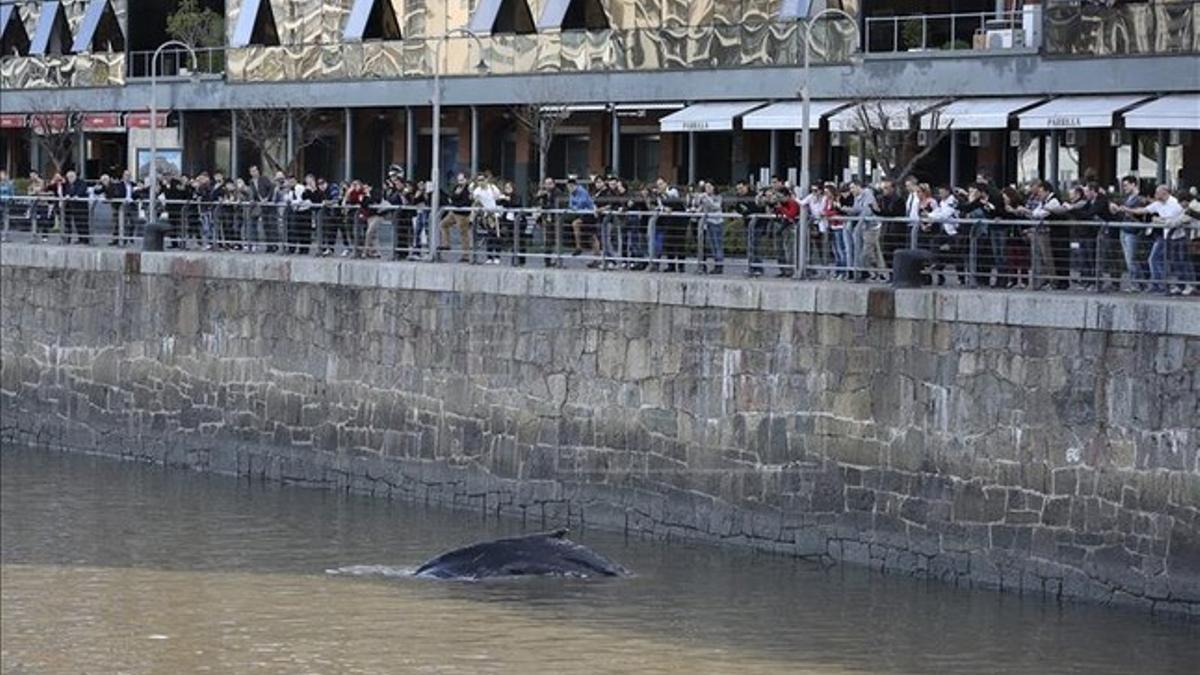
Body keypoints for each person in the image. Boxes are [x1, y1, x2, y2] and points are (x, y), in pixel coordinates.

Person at [1119, 184, 1187, 294]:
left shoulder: (1174, 203)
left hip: (1176, 237)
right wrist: (1127, 209)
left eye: (1157, 192)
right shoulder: (1158, 203)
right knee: (1155, 259)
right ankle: (1159, 284)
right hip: (1165, 237)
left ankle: (1171, 285)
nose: (1155, 195)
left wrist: (1158, 220)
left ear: (1164, 192)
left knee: (1176, 262)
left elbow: (1172, 220)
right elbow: (1143, 210)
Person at [439, 173, 472, 259]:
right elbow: (451, 197)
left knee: (463, 234)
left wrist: (455, 201)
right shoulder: (456, 187)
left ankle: (466, 255)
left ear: (466, 180)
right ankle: (446, 244)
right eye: (459, 180)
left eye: (461, 180)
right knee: (443, 224)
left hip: (463, 214)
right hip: (454, 212)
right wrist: (455, 198)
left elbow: (466, 202)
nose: (460, 182)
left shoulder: (468, 189)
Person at [696, 181, 725, 275]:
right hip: (708, 223)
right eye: (706, 187)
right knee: (712, 246)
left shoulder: (718, 196)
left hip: (717, 222)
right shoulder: (704, 197)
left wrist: (707, 198)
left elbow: (716, 206)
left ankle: (719, 265)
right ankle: (715, 264)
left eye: (709, 187)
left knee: (718, 245)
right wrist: (698, 199)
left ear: (713, 187)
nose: (707, 189)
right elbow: (699, 207)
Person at [566, 177, 597, 262]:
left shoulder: (582, 191)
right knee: (591, 237)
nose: (570, 189)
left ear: (576, 185)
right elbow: (570, 204)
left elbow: (582, 203)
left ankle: (579, 246)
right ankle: (595, 258)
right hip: (583, 214)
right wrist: (574, 207)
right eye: (568, 187)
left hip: (590, 214)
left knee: (576, 224)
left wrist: (575, 207)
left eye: (571, 186)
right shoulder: (572, 193)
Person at [59, 169, 90, 245]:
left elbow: (82, 190)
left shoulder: (81, 182)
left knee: (83, 223)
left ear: (75, 176)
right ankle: (80, 238)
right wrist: (67, 195)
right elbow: (66, 191)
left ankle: (85, 239)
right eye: (68, 177)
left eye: (72, 176)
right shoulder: (67, 184)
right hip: (71, 206)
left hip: (81, 206)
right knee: (76, 223)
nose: (70, 178)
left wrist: (76, 195)